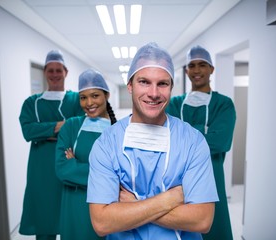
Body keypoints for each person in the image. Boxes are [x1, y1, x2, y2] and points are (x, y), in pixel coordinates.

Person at [86, 42, 219, 240]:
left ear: (171, 87)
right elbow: (102, 222)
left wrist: (132, 205)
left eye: (162, 83)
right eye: (144, 82)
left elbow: (202, 220)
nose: (154, 93)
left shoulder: (192, 142)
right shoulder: (107, 143)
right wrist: (169, 199)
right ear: (130, 85)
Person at [166, 45, 236, 240]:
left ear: (211, 69)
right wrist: (201, 135)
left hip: (212, 176)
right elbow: (166, 139)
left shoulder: (223, 104)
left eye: (202, 65)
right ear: (186, 70)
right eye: (192, 65)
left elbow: (220, 142)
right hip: (178, 178)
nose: (196, 70)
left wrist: (183, 136)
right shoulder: (175, 103)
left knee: (213, 226)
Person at [18, 50, 85, 240]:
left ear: (66, 72)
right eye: (50, 70)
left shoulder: (76, 99)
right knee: (43, 217)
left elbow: (80, 128)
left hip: (69, 165)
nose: (55, 74)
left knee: (70, 219)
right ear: (45, 72)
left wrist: (45, 132)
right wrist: (60, 126)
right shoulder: (32, 103)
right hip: (41, 171)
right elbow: (28, 131)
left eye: (58, 70)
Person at [55, 69, 117, 240]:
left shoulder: (119, 131)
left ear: (107, 96)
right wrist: (105, 174)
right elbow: (62, 169)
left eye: (95, 95)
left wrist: (76, 166)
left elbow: (121, 174)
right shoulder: (71, 127)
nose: (89, 102)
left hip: (109, 207)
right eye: (83, 97)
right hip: (74, 207)